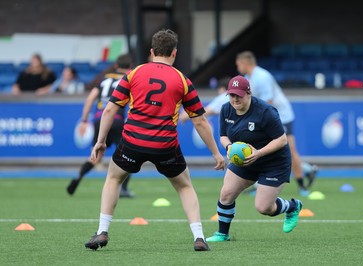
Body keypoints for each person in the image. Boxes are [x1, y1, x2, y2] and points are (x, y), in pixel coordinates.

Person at [84, 29, 225, 252]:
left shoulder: (133, 74)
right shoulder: (182, 80)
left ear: (151, 52)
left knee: (113, 178)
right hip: (165, 145)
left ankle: (102, 231)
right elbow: (200, 121)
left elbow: (111, 108)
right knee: (184, 186)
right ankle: (199, 237)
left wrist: (100, 141)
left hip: (132, 142)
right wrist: (216, 153)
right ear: (175, 53)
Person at [206, 76, 302, 242]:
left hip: (274, 161)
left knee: (264, 207)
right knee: (226, 193)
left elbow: (282, 140)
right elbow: (222, 136)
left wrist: (259, 153)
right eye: (232, 95)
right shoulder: (226, 109)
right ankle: (222, 234)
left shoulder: (265, 112)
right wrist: (229, 147)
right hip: (245, 160)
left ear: (248, 93)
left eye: (239, 95)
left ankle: (293, 206)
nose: (235, 99)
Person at [235, 51, 317, 197]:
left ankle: (302, 185)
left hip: (282, 116)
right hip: (267, 117)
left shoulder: (262, 76)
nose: (237, 67)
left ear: (245, 63)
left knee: (289, 150)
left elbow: (269, 101)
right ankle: (306, 170)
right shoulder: (248, 78)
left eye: (238, 64)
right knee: (259, 149)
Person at [66, 54, 134, 198]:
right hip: (117, 120)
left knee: (95, 156)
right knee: (129, 155)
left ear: (116, 65)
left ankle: (79, 177)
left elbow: (90, 99)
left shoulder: (104, 79)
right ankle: (123, 188)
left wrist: (84, 120)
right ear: (129, 67)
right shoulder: (128, 79)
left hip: (100, 120)